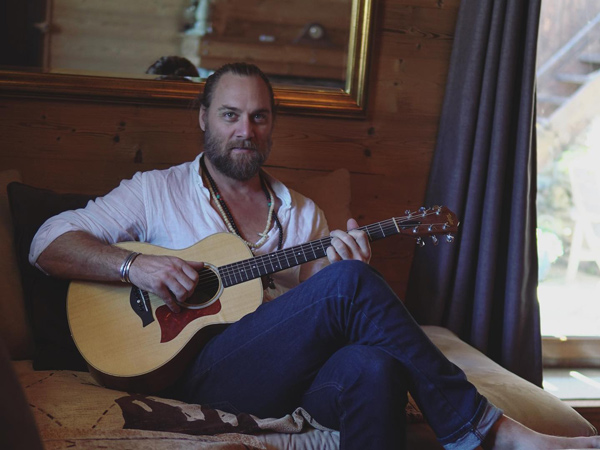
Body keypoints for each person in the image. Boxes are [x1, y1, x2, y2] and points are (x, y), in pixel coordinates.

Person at [30, 62, 600, 450]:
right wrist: (136, 266)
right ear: (203, 118)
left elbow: (322, 313)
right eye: (230, 114)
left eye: (259, 117)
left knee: (372, 366)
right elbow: (47, 242)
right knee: (348, 284)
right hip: (186, 371)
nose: (245, 130)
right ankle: (486, 430)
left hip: (278, 373)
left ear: (272, 126)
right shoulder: (155, 191)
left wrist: (343, 271)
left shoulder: (302, 215)